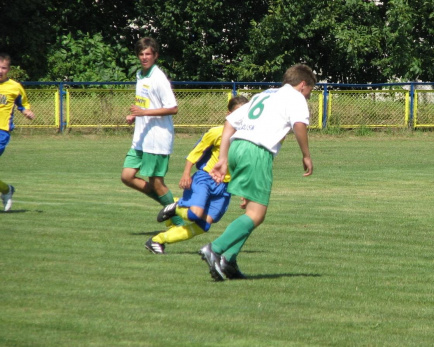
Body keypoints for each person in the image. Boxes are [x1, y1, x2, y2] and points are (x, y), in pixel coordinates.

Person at [199, 63, 316, 281]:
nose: (309, 97)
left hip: (237, 147)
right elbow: (299, 124)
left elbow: (229, 122)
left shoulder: (267, 94)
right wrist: (306, 155)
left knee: (253, 212)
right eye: (310, 91)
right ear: (302, 85)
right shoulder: (296, 97)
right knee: (256, 214)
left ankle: (229, 261)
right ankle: (215, 249)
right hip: (256, 151)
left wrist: (223, 158)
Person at [145, 95, 249, 255]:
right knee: (194, 214)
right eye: (237, 114)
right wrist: (186, 173)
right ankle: (176, 206)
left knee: (203, 225)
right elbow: (196, 152)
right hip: (205, 179)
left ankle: (157, 241)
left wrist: (244, 193)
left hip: (225, 187)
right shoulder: (216, 133)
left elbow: (242, 167)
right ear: (228, 114)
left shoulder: (246, 139)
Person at [120, 37, 185, 227]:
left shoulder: (158, 78)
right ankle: (171, 205)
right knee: (127, 176)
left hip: (157, 137)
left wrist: (144, 113)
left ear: (155, 55)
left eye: (148, 54)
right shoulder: (141, 75)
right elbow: (144, 102)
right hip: (141, 137)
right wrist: (135, 116)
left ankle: (180, 221)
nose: (144, 57)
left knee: (156, 182)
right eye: (141, 54)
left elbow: (173, 108)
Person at [0, 53, 35, 212]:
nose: (0, 70)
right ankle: (6, 189)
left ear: (8, 69)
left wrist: (27, 112)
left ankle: (7, 190)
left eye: (3, 67)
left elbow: (23, 105)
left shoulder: (15, 87)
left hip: (2, 132)